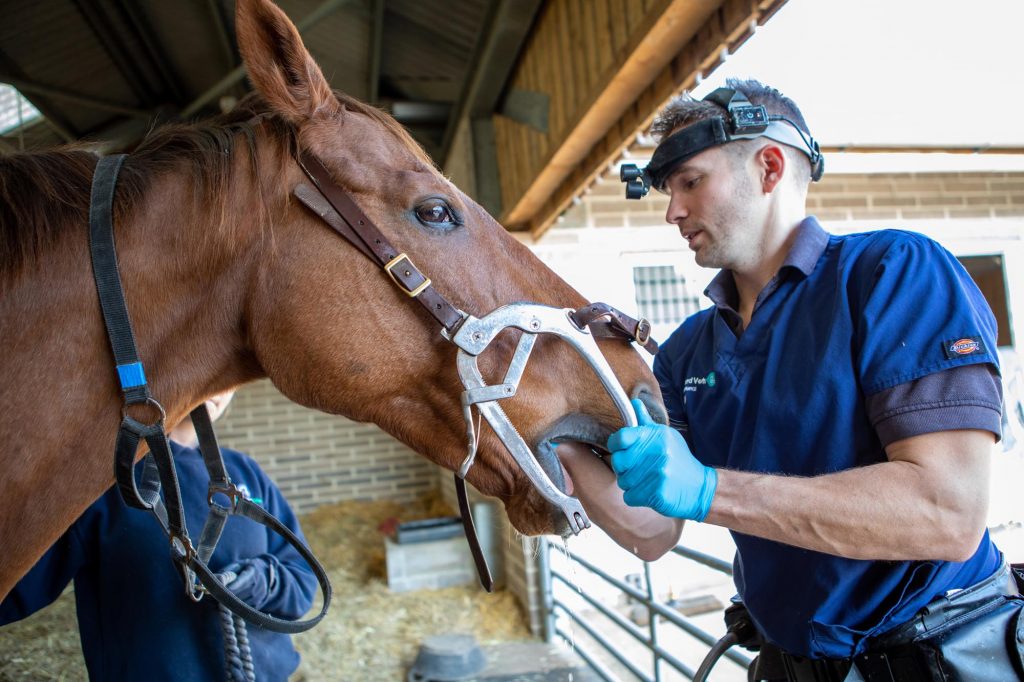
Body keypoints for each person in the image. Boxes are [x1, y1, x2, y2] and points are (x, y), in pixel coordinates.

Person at [560, 78, 1023, 681]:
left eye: (690, 181)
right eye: (668, 191)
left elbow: (947, 513)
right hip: (789, 665)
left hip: (942, 652)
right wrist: (549, 438)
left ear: (770, 167)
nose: (673, 211)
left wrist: (706, 489)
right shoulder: (683, 353)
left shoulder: (891, 273)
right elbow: (652, 532)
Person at [0, 390, 317, 681]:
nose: (219, 389)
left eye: (230, 382)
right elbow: (16, 589)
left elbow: (302, 582)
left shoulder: (246, 473)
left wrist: (257, 583)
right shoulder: (104, 484)